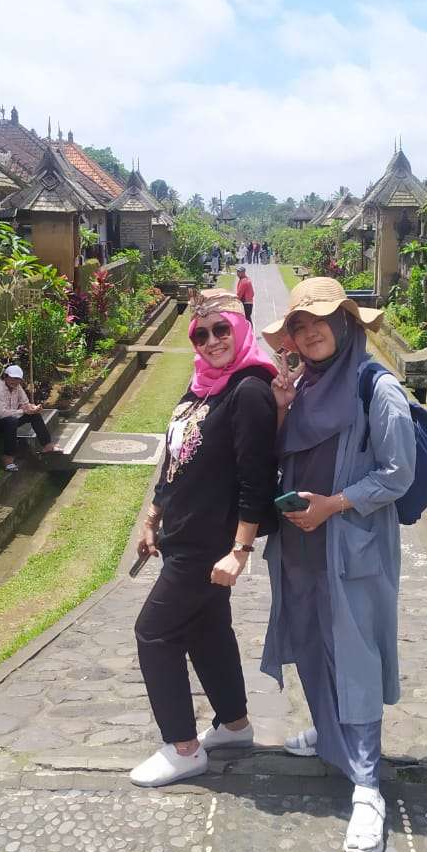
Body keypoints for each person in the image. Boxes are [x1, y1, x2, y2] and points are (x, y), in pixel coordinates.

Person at [260, 277, 417, 852]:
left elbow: (397, 475)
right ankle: (330, 732)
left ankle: (367, 787)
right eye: (299, 325)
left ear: (347, 323)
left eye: (321, 320)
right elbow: (285, 454)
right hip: (301, 546)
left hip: (351, 550)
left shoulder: (377, 389)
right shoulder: (303, 386)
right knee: (310, 641)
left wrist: (335, 504)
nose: (310, 333)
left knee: (354, 658)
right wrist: (280, 409)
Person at [130, 289, 278, 788]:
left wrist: (240, 550)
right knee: (206, 630)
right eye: (201, 334)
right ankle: (234, 725)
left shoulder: (249, 389)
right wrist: (153, 516)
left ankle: (183, 748)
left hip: (208, 543)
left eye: (221, 330)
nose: (212, 341)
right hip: (181, 533)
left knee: (154, 633)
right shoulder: (201, 386)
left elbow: (256, 478)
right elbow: (175, 458)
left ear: (240, 330)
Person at [0, 365, 57, 472]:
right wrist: (23, 411)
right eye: (12, 378)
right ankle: (8, 458)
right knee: (11, 421)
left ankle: (47, 445)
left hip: (9, 418)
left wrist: (33, 408)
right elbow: (2, 414)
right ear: (5, 376)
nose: (15, 381)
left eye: (17, 379)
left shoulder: (17, 387)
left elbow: (25, 403)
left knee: (34, 415)